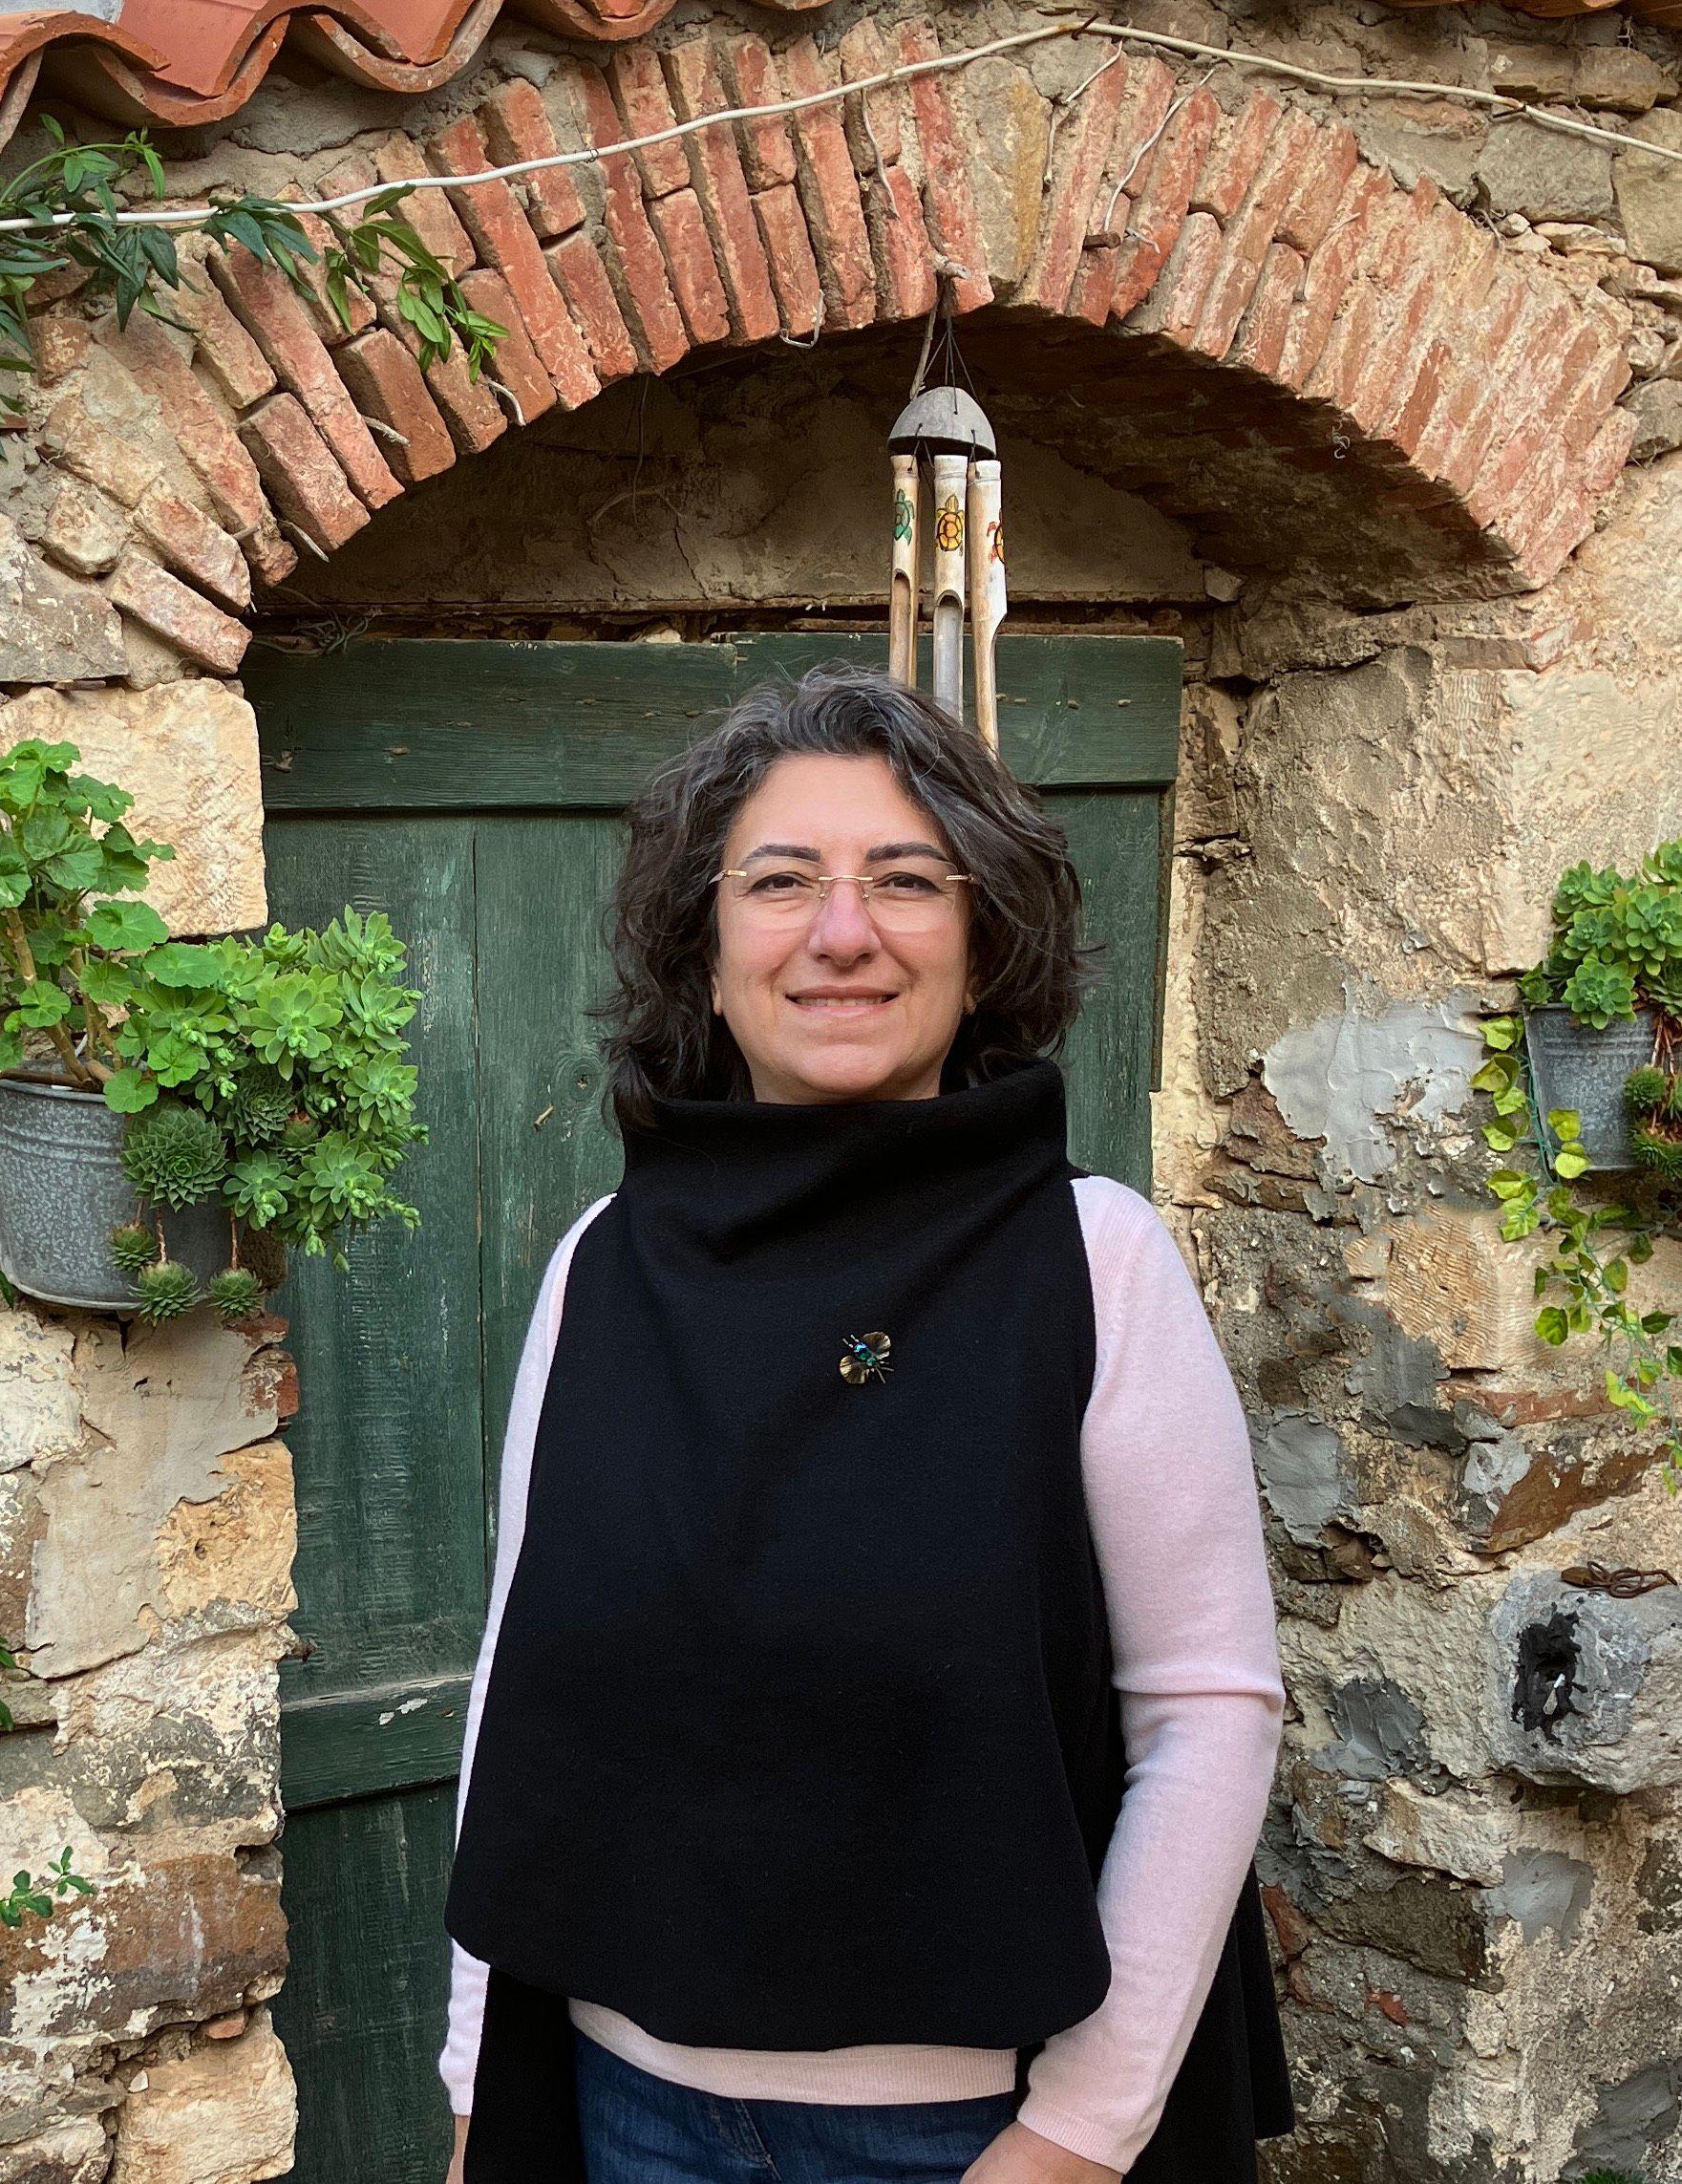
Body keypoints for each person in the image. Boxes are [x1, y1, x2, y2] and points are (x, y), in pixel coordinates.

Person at [436, 668, 1294, 2184]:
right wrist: (469, 2080)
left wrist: (1072, 2139)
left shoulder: (1088, 1260)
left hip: (969, 2133)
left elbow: (1205, 1710)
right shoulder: (604, 1259)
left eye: (906, 880)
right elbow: (522, 1667)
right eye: (779, 882)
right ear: (704, 953)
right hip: (622, 2104)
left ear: (981, 945)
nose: (843, 932)